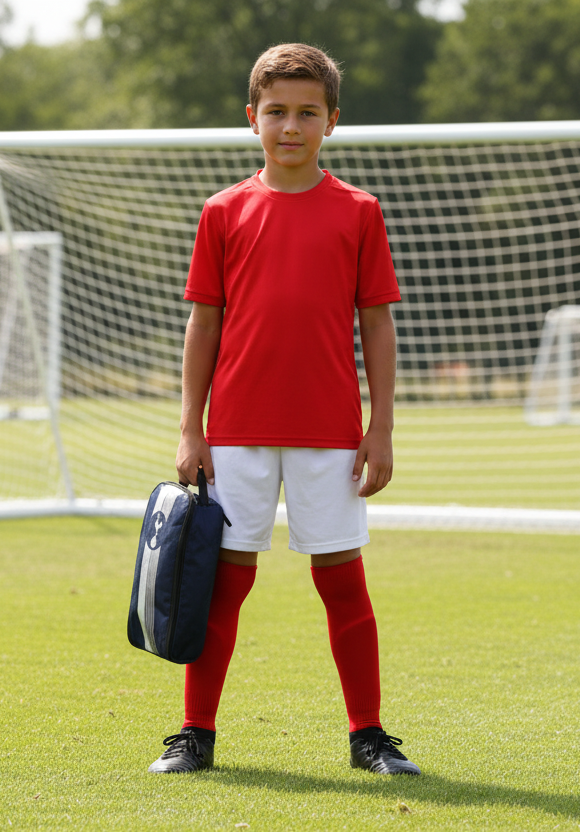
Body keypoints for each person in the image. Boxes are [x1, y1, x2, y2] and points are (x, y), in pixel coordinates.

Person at [146, 43, 419, 776]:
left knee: (342, 584)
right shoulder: (223, 211)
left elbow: (377, 323)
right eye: (276, 112)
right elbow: (202, 323)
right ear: (252, 119)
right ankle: (194, 735)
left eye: (306, 113)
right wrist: (190, 427)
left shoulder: (360, 212)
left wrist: (380, 427)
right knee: (223, 585)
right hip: (235, 433)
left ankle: (369, 737)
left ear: (332, 121)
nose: (290, 126)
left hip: (330, 434)